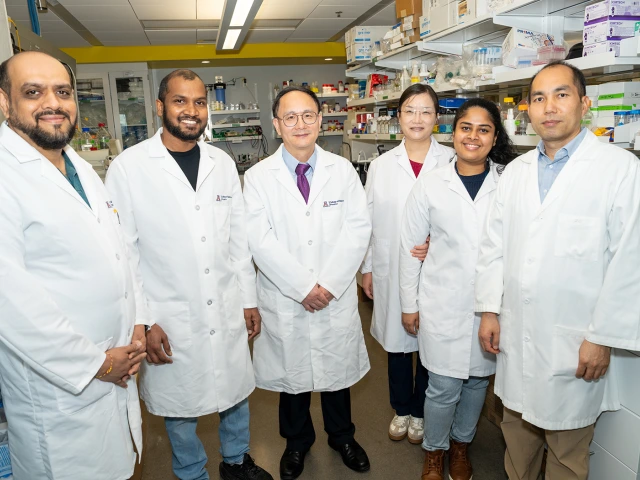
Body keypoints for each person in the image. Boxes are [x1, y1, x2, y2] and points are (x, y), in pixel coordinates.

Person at [475, 60, 640, 480]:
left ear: (584, 103)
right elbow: (494, 246)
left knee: (567, 455)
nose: (549, 106)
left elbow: (629, 259)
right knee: (516, 442)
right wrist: (490, 310)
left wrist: (602, 338)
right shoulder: (515, 173)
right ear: (528, 110)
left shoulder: (618, 169)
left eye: (561, 95)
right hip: (517, 333)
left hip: (575, 342)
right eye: (538, 97)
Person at [105, 69, 272, 480]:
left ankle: (236, 462)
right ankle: (191, 472)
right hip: (168, 311)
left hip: (227, 300)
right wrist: (143, 320)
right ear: (160, 106)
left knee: (234, 390)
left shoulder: (222, 163)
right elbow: (124, 252)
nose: (191, 111)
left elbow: (238, 240)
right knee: (179, 405)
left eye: (199, 102)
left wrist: (248, 299)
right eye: (180, 101)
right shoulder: (129, 168)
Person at [0, 51, 146, 480]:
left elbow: (118, 251)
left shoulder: (78, 165)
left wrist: (135, 320)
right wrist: (96, 364)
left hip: (116, 368)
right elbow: (11, 299)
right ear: (4, 101)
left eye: (63, 91)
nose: (53, 103)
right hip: (61, 389)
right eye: (33, 92)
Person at [243, 86, 372, 480]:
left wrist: (329, 285)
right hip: (287, 297)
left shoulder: (343, 170)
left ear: (321, 120)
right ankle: (296, 443)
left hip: (333, 294)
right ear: (276, 125)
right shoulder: (257, 177)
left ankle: (342, 436)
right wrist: (302, 287)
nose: (300, 124)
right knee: (293, 377)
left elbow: (358, 230)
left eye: (308, 116)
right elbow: (258, 239)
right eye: (290, 117)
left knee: (335, 374)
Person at [399, 99, 516, 480]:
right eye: (466, 127)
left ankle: (462, 444)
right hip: (442, 302)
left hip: (491, 306)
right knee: (443, 385)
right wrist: (408, 304)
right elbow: (410, 247)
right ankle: (435, 450)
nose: (473, 136)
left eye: (483, 129)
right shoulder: (431, 184)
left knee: (477, 383)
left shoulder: (509, 182)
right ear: (454, 133)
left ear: (494, 136)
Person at [361, 83, 453, 445]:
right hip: (390, 265)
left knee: (431, 345)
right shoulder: (381, 166)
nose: (417, 118)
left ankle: (421, 410)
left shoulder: (450, 161)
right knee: (398, 346)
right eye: (410, 110)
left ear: (437, 118)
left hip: (437, 268)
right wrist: (367, 267)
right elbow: (367, 221)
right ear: (398, 117)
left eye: (426, 111)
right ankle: (401, 408)